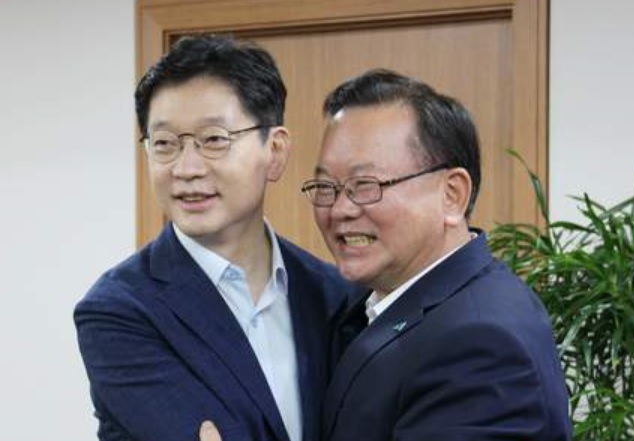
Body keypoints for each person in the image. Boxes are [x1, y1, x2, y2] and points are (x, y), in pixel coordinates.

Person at [74, 35, 357, 441]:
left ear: (275, 151)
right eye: (165, 144)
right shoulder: (119, 311)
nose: (186, 168)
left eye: (213, 140)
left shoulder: (336, 295)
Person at [298, 69, 572, 441]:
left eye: (365, 185)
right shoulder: (377, 300)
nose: (340, 209)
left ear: (452, 194)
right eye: (326, 186)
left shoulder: (481, 342)